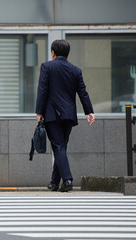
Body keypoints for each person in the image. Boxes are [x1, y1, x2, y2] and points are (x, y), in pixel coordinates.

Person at [35, 39, 94, 192]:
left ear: (53, 53)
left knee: (58, 146)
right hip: (68, 115)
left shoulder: (47, 66)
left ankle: (67, 180)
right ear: (68, 55)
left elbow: (42, 90)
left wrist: (39, 111)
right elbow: (83, 92)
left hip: (52, 114)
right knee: (60, 146)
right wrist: (89, 111)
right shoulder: (76, 70)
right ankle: (54, 183)